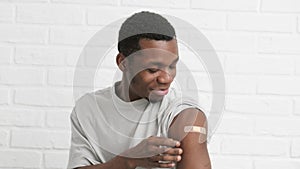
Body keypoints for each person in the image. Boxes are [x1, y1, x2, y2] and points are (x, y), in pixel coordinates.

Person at [67, 11, 211, 169]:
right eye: (153, 69)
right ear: (123, 63)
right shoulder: (88, 108)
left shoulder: (186, 115)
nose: (166, 78)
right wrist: (128, 160)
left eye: (172, 66)